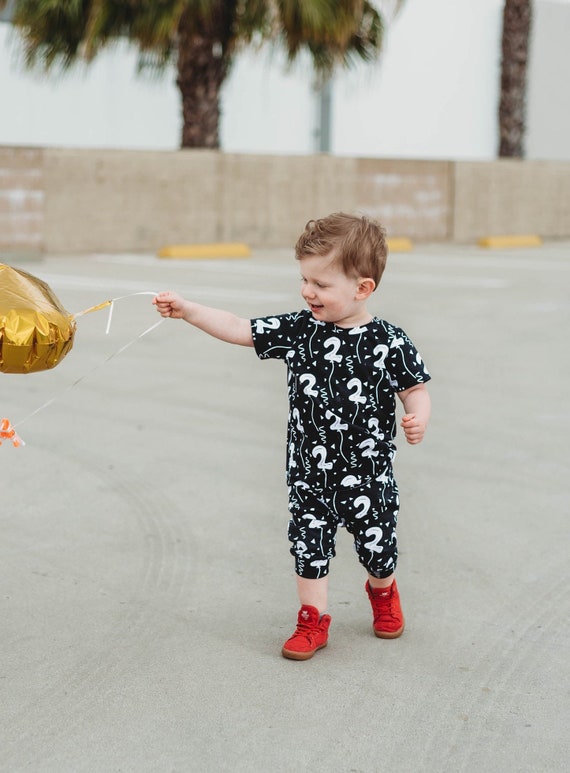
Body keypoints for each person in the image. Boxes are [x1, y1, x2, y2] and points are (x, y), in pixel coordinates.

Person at [153, 212, 431, 661]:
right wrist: (189, 311)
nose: (307, 291)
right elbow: (240, 328)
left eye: (321, 284)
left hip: (369, 476)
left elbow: (415, 389)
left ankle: (383, 591)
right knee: (309, 546)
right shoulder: (301, 330)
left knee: (379, 548)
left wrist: (417, 416)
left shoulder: (390, 341)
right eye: (304, 279)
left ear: (362, 288)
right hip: (309, 474)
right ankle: (312, 618)